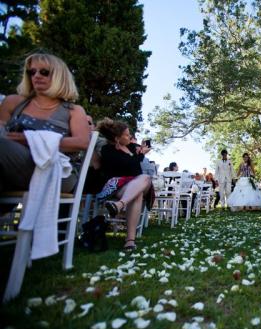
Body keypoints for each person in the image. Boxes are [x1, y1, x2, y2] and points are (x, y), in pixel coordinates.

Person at [0, 52, 90, 194]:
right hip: (11, 165)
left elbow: (83, 142)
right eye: (32, 72)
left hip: (56, 170)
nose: (37, 76)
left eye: (44, 72)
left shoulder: (74, 111)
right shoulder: (13, 102)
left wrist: (30, 140)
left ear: (59, 76)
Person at [95, 118, 153, 251]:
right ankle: (130, 240)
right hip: (117, 186)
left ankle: (119, 205)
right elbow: (126, 168)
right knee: (136, 195)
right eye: (127, 135)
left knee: (144, 177)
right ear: (117, 138)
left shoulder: (132, 147)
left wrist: (141, 152)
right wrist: (139, 156)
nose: (130, 137)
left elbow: (135, 171)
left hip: (136, 183)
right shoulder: (107, 150)